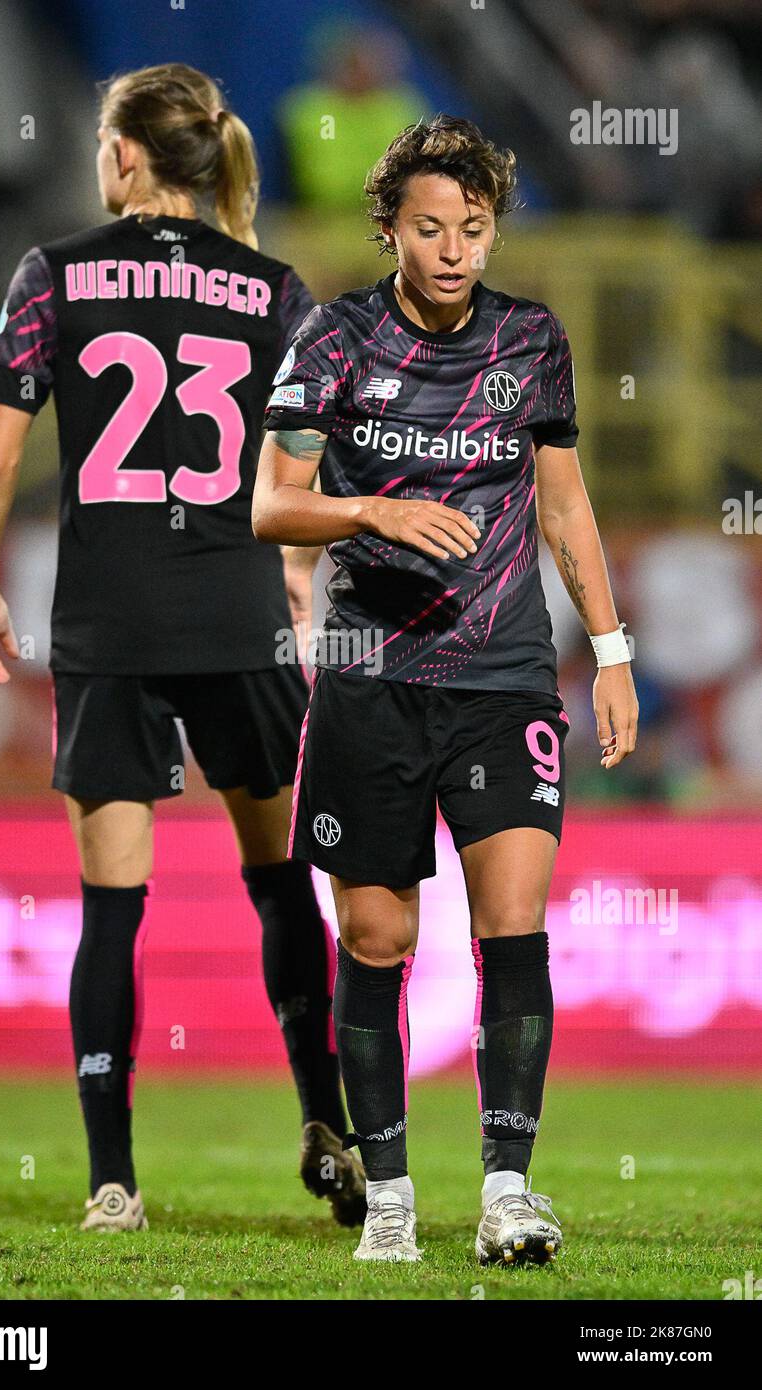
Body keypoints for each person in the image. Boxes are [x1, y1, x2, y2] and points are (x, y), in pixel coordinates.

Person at [0, 63, 364, 1233]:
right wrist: (294, 567)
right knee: (283, 885)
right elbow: (310, 456)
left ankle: (111, 1182)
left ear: (125, 156)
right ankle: (324, 1117)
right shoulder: (274, 290)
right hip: (235, 619)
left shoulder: (55, 272)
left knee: (110, 912)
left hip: (111, 626)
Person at [255, 114, 638, 1265]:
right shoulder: (332, 339)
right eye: (429, 227)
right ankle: (388, 1200)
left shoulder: (531, 342)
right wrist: (370, 511)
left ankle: (509, 1190)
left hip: (502, 673)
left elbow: (562, 507)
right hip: (371, 677)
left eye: (471, 227)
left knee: (511, 923)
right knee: (374, 940)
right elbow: (269, 507)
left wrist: (611, 652)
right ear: (388, 230)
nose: (454, 246)